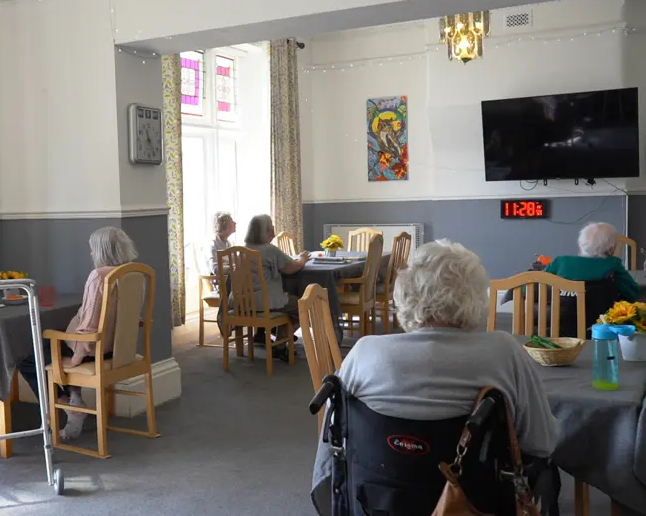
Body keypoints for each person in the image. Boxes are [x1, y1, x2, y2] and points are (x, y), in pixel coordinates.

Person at [312, 240, 559, 512]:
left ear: (405, 293)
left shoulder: (364, 352)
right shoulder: (504, 352)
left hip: (377, 504)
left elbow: (333, 442)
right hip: (476, 506)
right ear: (476, 298)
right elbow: (541, 443)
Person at [19, 226, 138, 440]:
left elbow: (89, 326)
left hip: (94, 350)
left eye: (92, 248)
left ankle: (67, 405)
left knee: (28, 358)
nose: (90, 253)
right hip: (117, 348)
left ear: (101, 250)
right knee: (50, 347)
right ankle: (73, 396)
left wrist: (77, 358)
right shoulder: (132, 273)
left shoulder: (98, 276)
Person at [242, 215, 310, 353]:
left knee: (286, 302)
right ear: (266, 231)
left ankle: (266, 334)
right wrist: (303, 259)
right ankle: (280, 345)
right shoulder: (269, 250)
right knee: (304, 306)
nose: (273, 229)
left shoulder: (243, 249)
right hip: (266, 302)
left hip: (244, 301)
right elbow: (292, 268)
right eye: (271, 227)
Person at [543, 222, 638, 302]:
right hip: (600, 318)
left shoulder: (560, 261)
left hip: (560, 317)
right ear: (610, 249)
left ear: (581, 244)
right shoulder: (613, 264)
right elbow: (633, 294)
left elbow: (536, 285)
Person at [206, 211, 236, 277]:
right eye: (231, 221)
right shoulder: (212, 244)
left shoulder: (228, 243)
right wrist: (233, 268)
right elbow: (215, 269)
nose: (235, 223)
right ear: (223, 225)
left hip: (229, 278)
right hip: (217, 280)